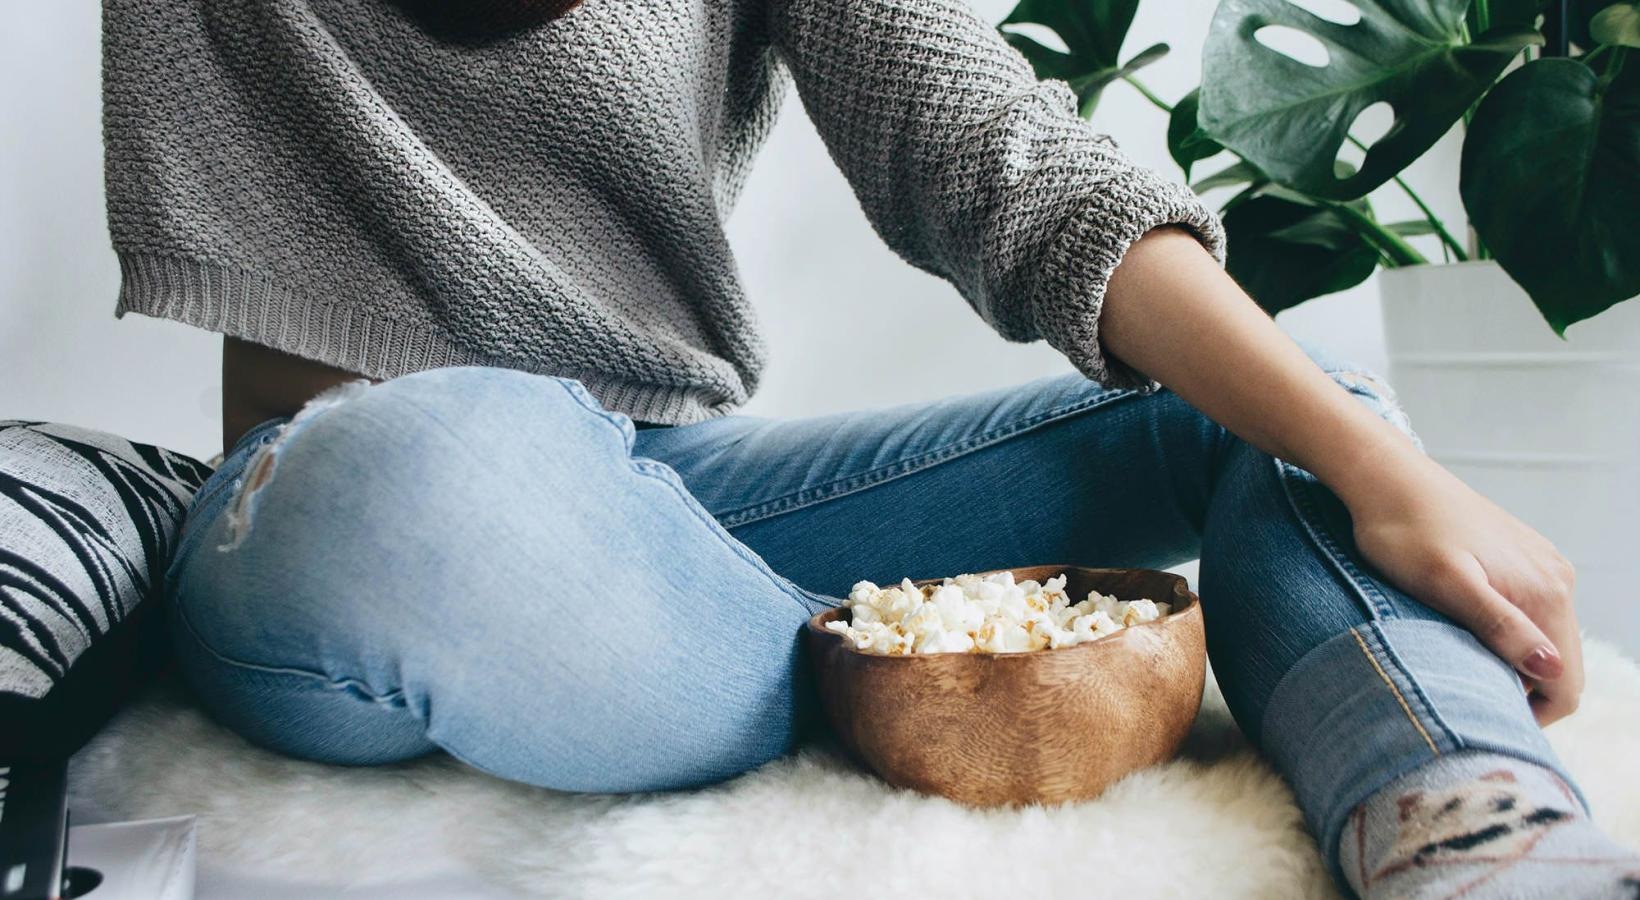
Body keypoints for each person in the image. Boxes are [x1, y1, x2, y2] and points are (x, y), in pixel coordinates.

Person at [103, 0, 1637, 895]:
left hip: (671, 497)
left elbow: (1006, 164)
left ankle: (1473, 825)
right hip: (339, 514)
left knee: (1289, 406)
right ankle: (899, 673)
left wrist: (1392, 474)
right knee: (435, 465)